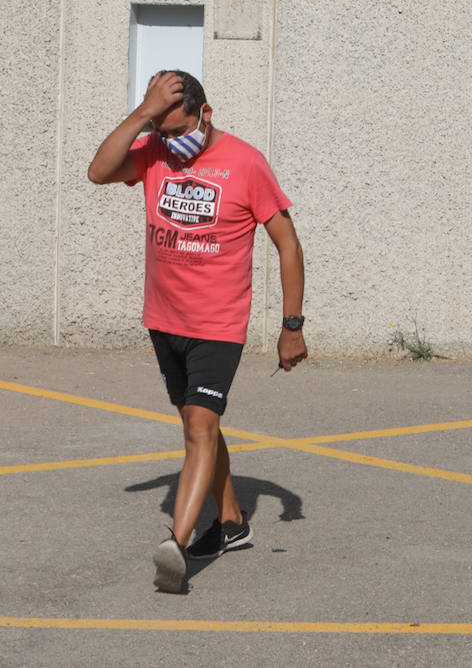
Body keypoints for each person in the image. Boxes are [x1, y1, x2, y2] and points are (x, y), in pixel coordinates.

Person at [88, 70, 307, 594]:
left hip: (217, 324)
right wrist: (145, 115)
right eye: (163, 131)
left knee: (198, 430)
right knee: (197, 422)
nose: (173, 142)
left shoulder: (245, 162)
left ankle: (176, 545)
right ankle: (231, 523)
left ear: (205, 114)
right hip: (164, 320)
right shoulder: (155, 151)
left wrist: (292, 326)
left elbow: (289, 246)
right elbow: (98, 172)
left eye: (180, 128)